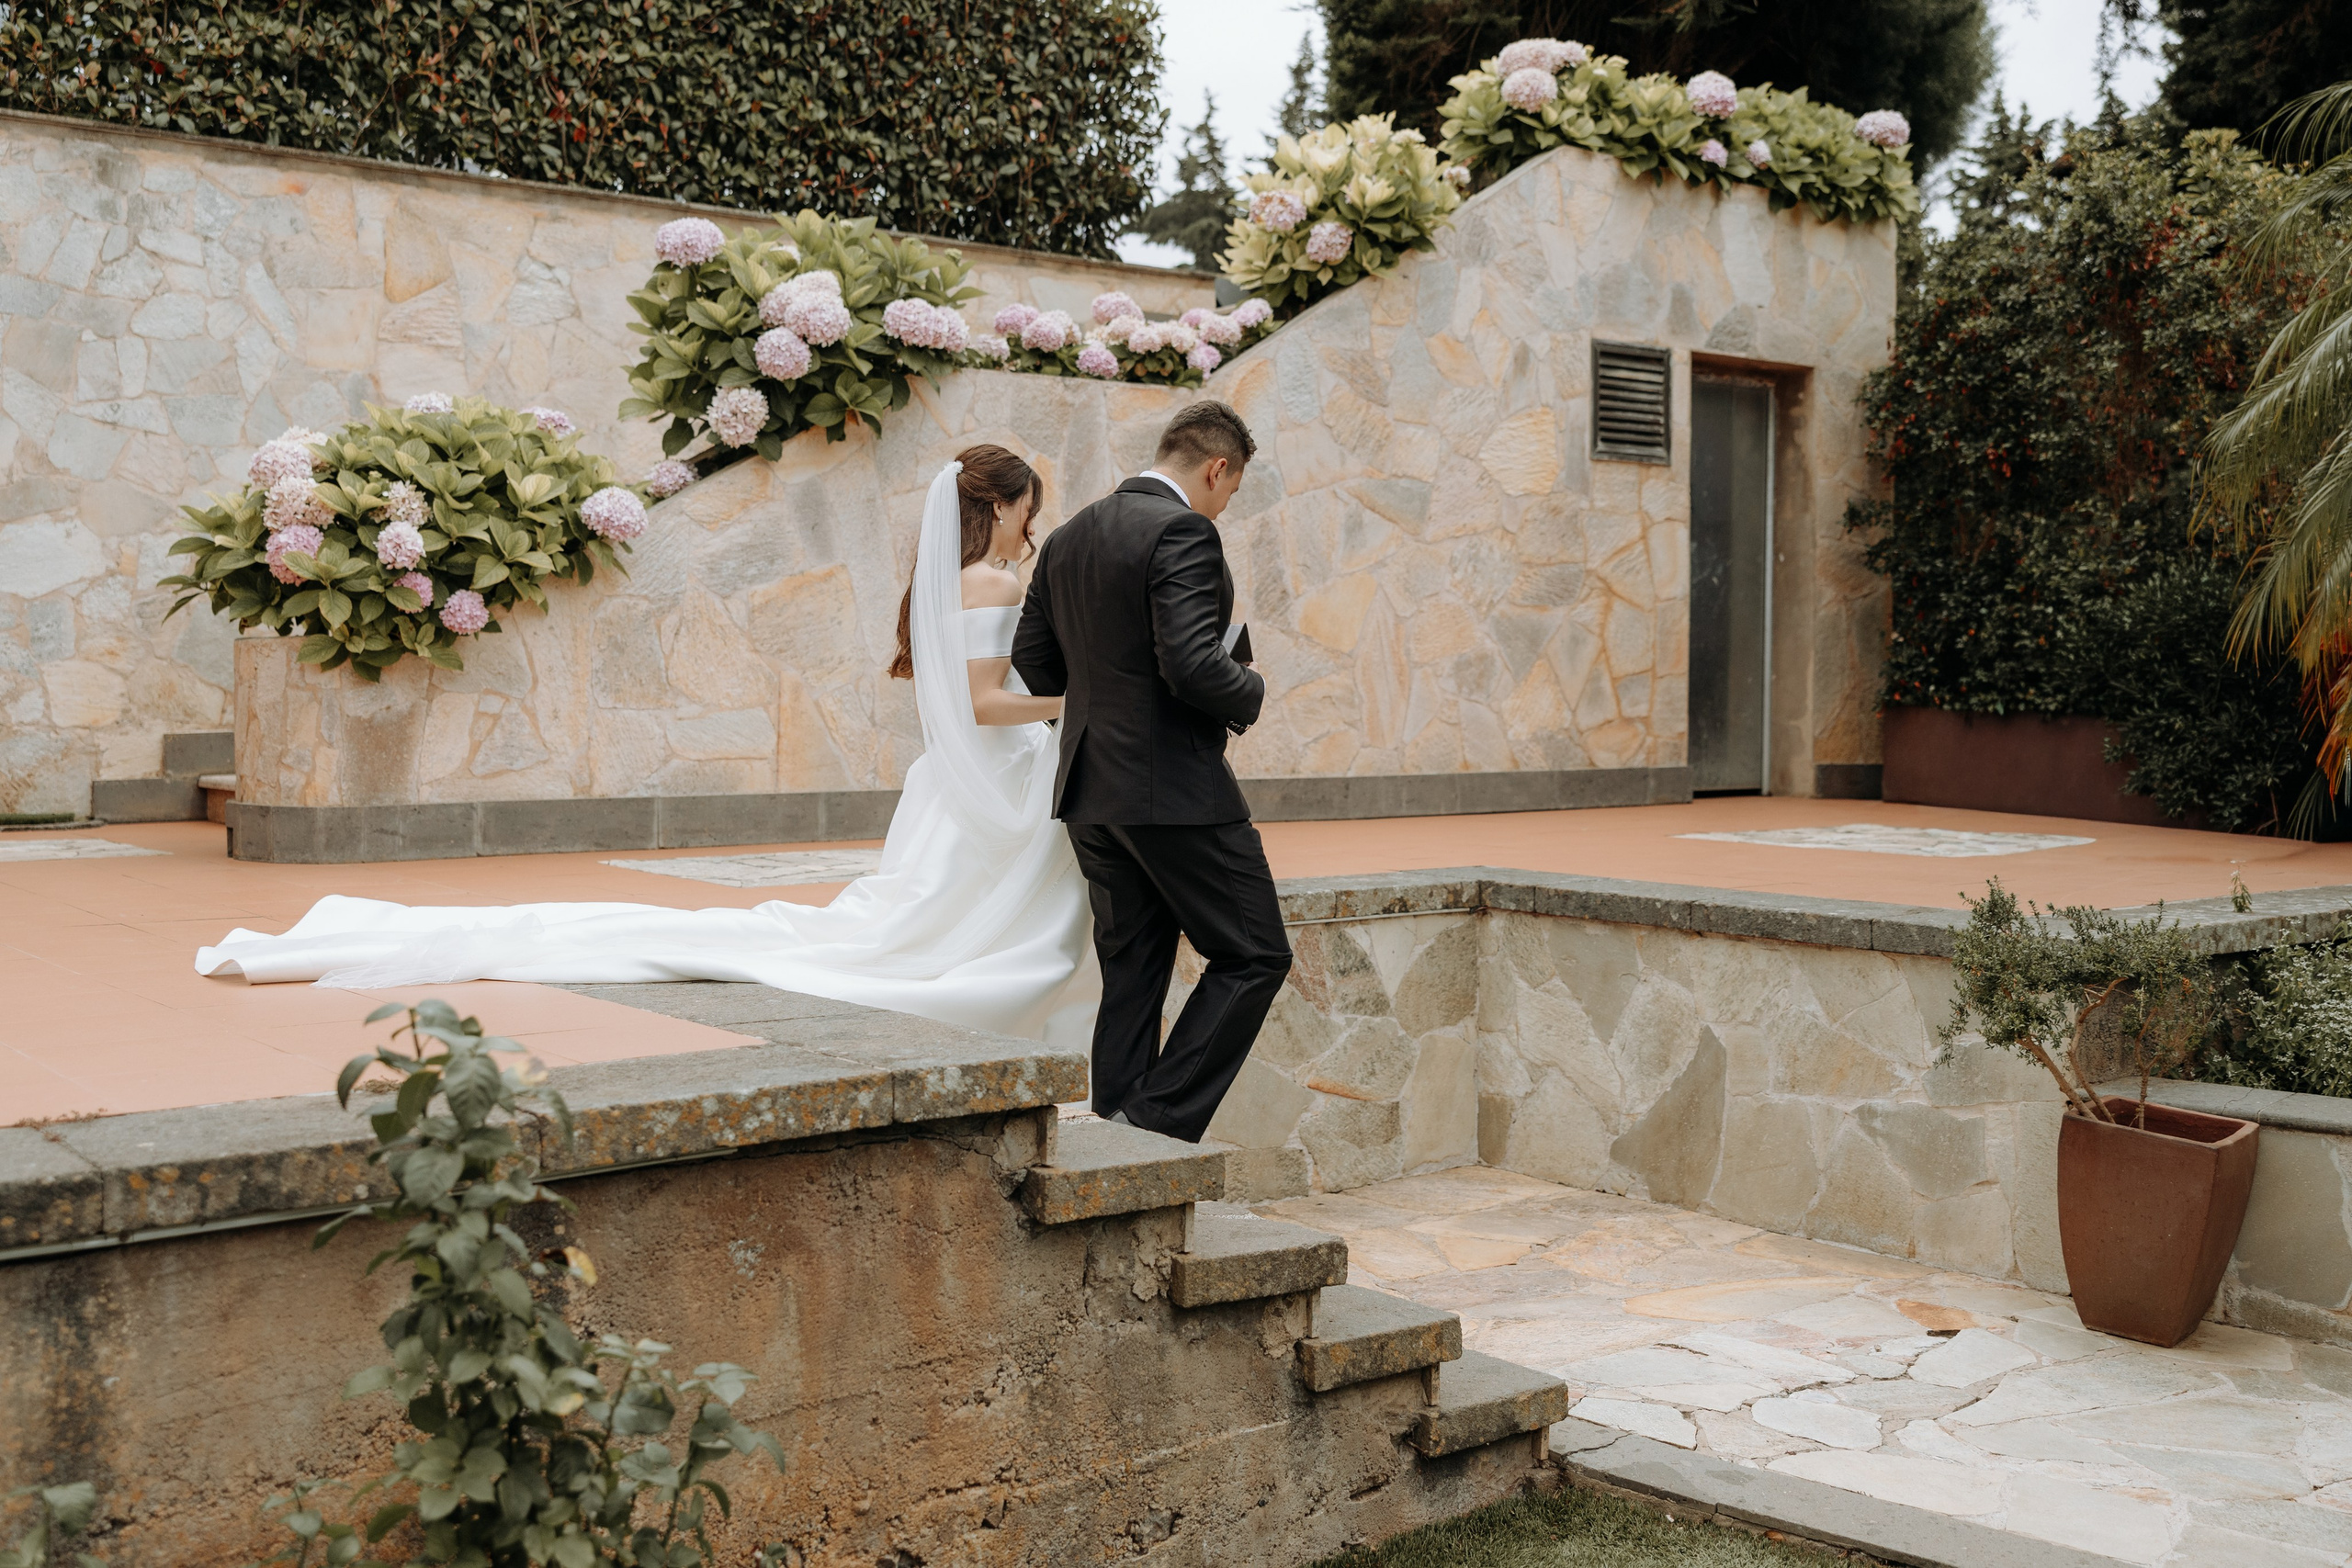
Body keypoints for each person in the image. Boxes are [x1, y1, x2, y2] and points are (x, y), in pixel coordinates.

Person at [193, 446, 1093, 1042]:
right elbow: (982, 703)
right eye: (1028, 508)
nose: (1028, 523)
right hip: (989, 771)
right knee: (939, 923)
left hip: (951, 781)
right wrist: (1071, 699)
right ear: (1006, 506)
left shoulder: (946, 580)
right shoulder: (990, 584)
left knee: (917, 912)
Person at [1012, 400, 1294, 1143]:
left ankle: (1114, 1133)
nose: (1222, 507)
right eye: (1228, 493)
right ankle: (1152, 1120)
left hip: (1089, 793)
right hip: (1172, 790)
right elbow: (1192, 662)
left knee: (1133, 970)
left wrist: (1104, 722)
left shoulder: (1069, 537)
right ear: (1216, 467)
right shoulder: (1184, 530)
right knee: (1256, 951)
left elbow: (1034, 663)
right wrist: (1251, 687)